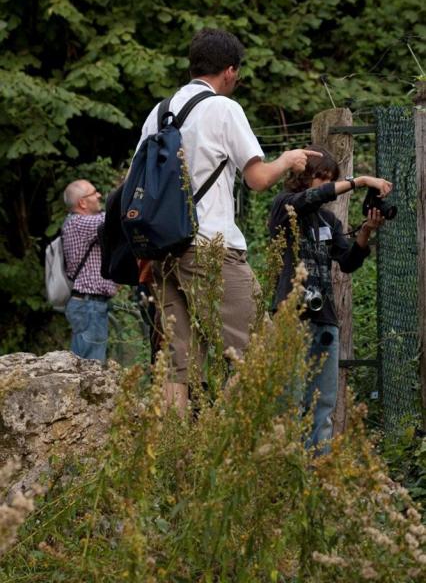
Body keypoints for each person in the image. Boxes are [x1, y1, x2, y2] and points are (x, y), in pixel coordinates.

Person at [134, 27, 322, 411]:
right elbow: (258, 179)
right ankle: (234, 447)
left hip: (163, 252)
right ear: (230, 70)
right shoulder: (223, 108)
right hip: (210, 248)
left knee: (177, 366)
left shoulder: (158, 112)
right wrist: (286, 159)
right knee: (259, 351)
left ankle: (178, 460)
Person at [269, 146, 392, 453]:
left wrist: (365, 231)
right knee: (291, 397)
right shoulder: (285, 206)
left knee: (323, 400)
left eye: (328, 177)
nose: (324, 183)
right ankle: (288, 469)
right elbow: (311, 198)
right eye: (319, 176)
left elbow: (348, 261)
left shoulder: (329, 221)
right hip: (291, 315)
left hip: (324, 318)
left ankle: (318, 473)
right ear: (302, 177)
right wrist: (360, 181)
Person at [62, 179, 117, 361]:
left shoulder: (77, 223)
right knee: (89, 367)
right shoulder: (79, 223)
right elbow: (113, 220)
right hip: (90, 306)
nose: (99, 195)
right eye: (94, 193)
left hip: (89, 305)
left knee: (85, 364)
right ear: (82, 203)